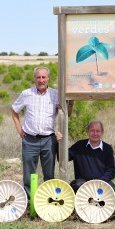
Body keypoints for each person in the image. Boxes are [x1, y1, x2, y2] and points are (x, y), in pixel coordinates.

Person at [12, 66, 74, 198]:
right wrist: (19, 129)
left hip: (49, 140)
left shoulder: (56, 94)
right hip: (29, 140)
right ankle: (30, 203)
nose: (41, 80)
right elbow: (14, 111)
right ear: (34, 79)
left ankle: (48, 201)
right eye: (38, 77)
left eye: (43, 77)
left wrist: (72, 102)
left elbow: (67, 114)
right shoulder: (26, 94)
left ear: (48, 78)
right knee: (29, 175)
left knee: (49, 175)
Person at [57, 120, 115, 193]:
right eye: (92, 131)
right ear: (88, 131)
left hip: (101, 184)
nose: (95, 133)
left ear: (102, 132)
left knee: (112, 188)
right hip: (82, 184)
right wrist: (59, 143)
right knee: (77, 185)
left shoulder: (107, 148)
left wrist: (100, 181)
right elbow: (63, 158)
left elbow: (111, 171)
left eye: (98, 131)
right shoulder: (79, 146)